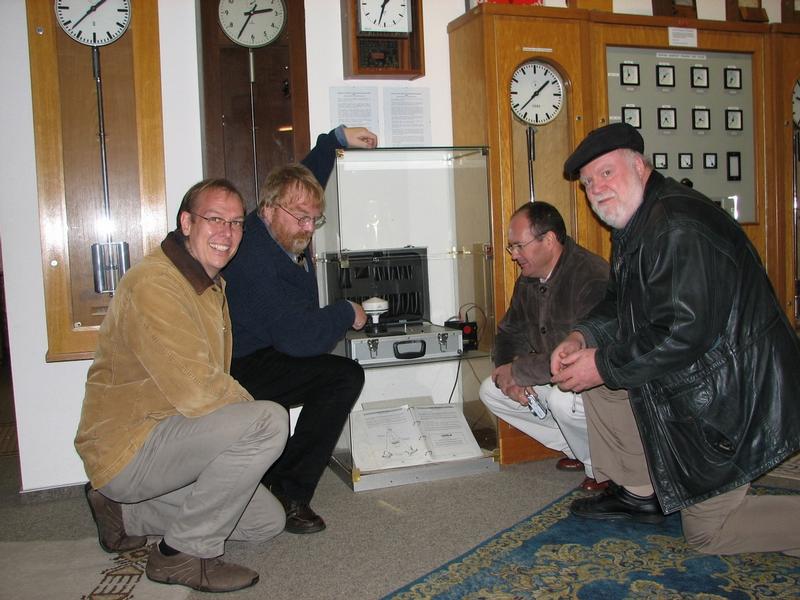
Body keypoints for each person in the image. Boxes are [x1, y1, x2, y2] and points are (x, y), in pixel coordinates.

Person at [551, 122, 800, 555]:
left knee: (709, 533)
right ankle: (641, 492)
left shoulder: (675, 227)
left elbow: (684, 333)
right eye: (589, 183)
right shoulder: (638, 224)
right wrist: (582, 337)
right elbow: (617, 302)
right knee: (594, 375)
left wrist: (603, 363)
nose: (597, 189)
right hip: (698, 376)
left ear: (639, 166)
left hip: (733, 395)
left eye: (606, 173)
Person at [75, 179, 290, 593]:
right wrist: (255, 426)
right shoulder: (156, 284)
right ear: (186, 223)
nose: (226, 233)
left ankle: (124, 514)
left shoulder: (209, 284)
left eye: (235, 223)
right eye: (214, 219)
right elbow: (198, 390)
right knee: (268, 421)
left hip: (172, 436)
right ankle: (181, 556)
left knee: (266, 521)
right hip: (131, 445)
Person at [223, 126, 377, 534]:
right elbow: (301, 339)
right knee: (342, 378)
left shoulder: (281, 219)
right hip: (241, 368)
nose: (309, 229)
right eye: (301, 219)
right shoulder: (255, 258)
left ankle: (279, 480)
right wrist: (346, 311)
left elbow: (305, 178)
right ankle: (289, 494)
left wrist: (335, 140)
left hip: (268, 349)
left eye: (315, 219)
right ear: (268, 210)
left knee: (336, 375)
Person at [479, 201, 619, 492]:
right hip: (552, 375)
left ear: (550, 240)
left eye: (519, 246)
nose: (514, 255)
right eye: (511, 247)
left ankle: (604, 469)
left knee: (562, 401)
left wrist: (519, 371)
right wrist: (508, 375)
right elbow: (508, 332)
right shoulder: (528, 280)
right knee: (491, 390)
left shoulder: (591, 277)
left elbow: (573, 359)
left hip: (601, 382)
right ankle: (576, 449)